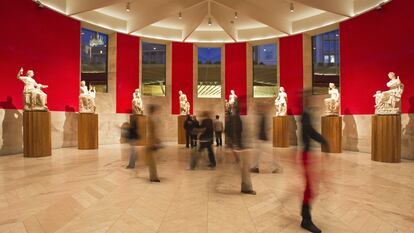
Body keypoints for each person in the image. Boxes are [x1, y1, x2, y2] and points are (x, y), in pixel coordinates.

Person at [300, 106, 328, 233]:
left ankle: (304, 214)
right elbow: (310, 131)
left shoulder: (306, 113)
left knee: (310, 188)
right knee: (310, 188)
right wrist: (323, 140)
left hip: (307, 154)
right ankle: (306, 220)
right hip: (306, 155)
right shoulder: (306, 114)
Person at [250, 104, 282, 173]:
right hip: (261, 139)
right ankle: (255, 167)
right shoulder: (261, 117)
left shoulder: (265, 117)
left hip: (265, 139)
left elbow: (267, 128)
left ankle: (277, 167)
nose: (258, 109)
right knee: (256, 154)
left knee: (271, 154)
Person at [230, 109, 255, 195]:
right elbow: (237, 133)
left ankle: (246, 187)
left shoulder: (235, 119)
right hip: (243, 147)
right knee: (245, 168)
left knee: (245, 168)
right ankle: (246, 188)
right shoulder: (236, 119)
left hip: (242, 146)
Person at [146, 105, 161, 182]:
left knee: (152, 160)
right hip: (151, 141)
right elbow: (152, 132)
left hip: (151, 141)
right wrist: (154, 141)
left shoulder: (151, 118)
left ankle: (153, 176)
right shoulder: (151, 119)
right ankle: (153, 177)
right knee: (152, 160)